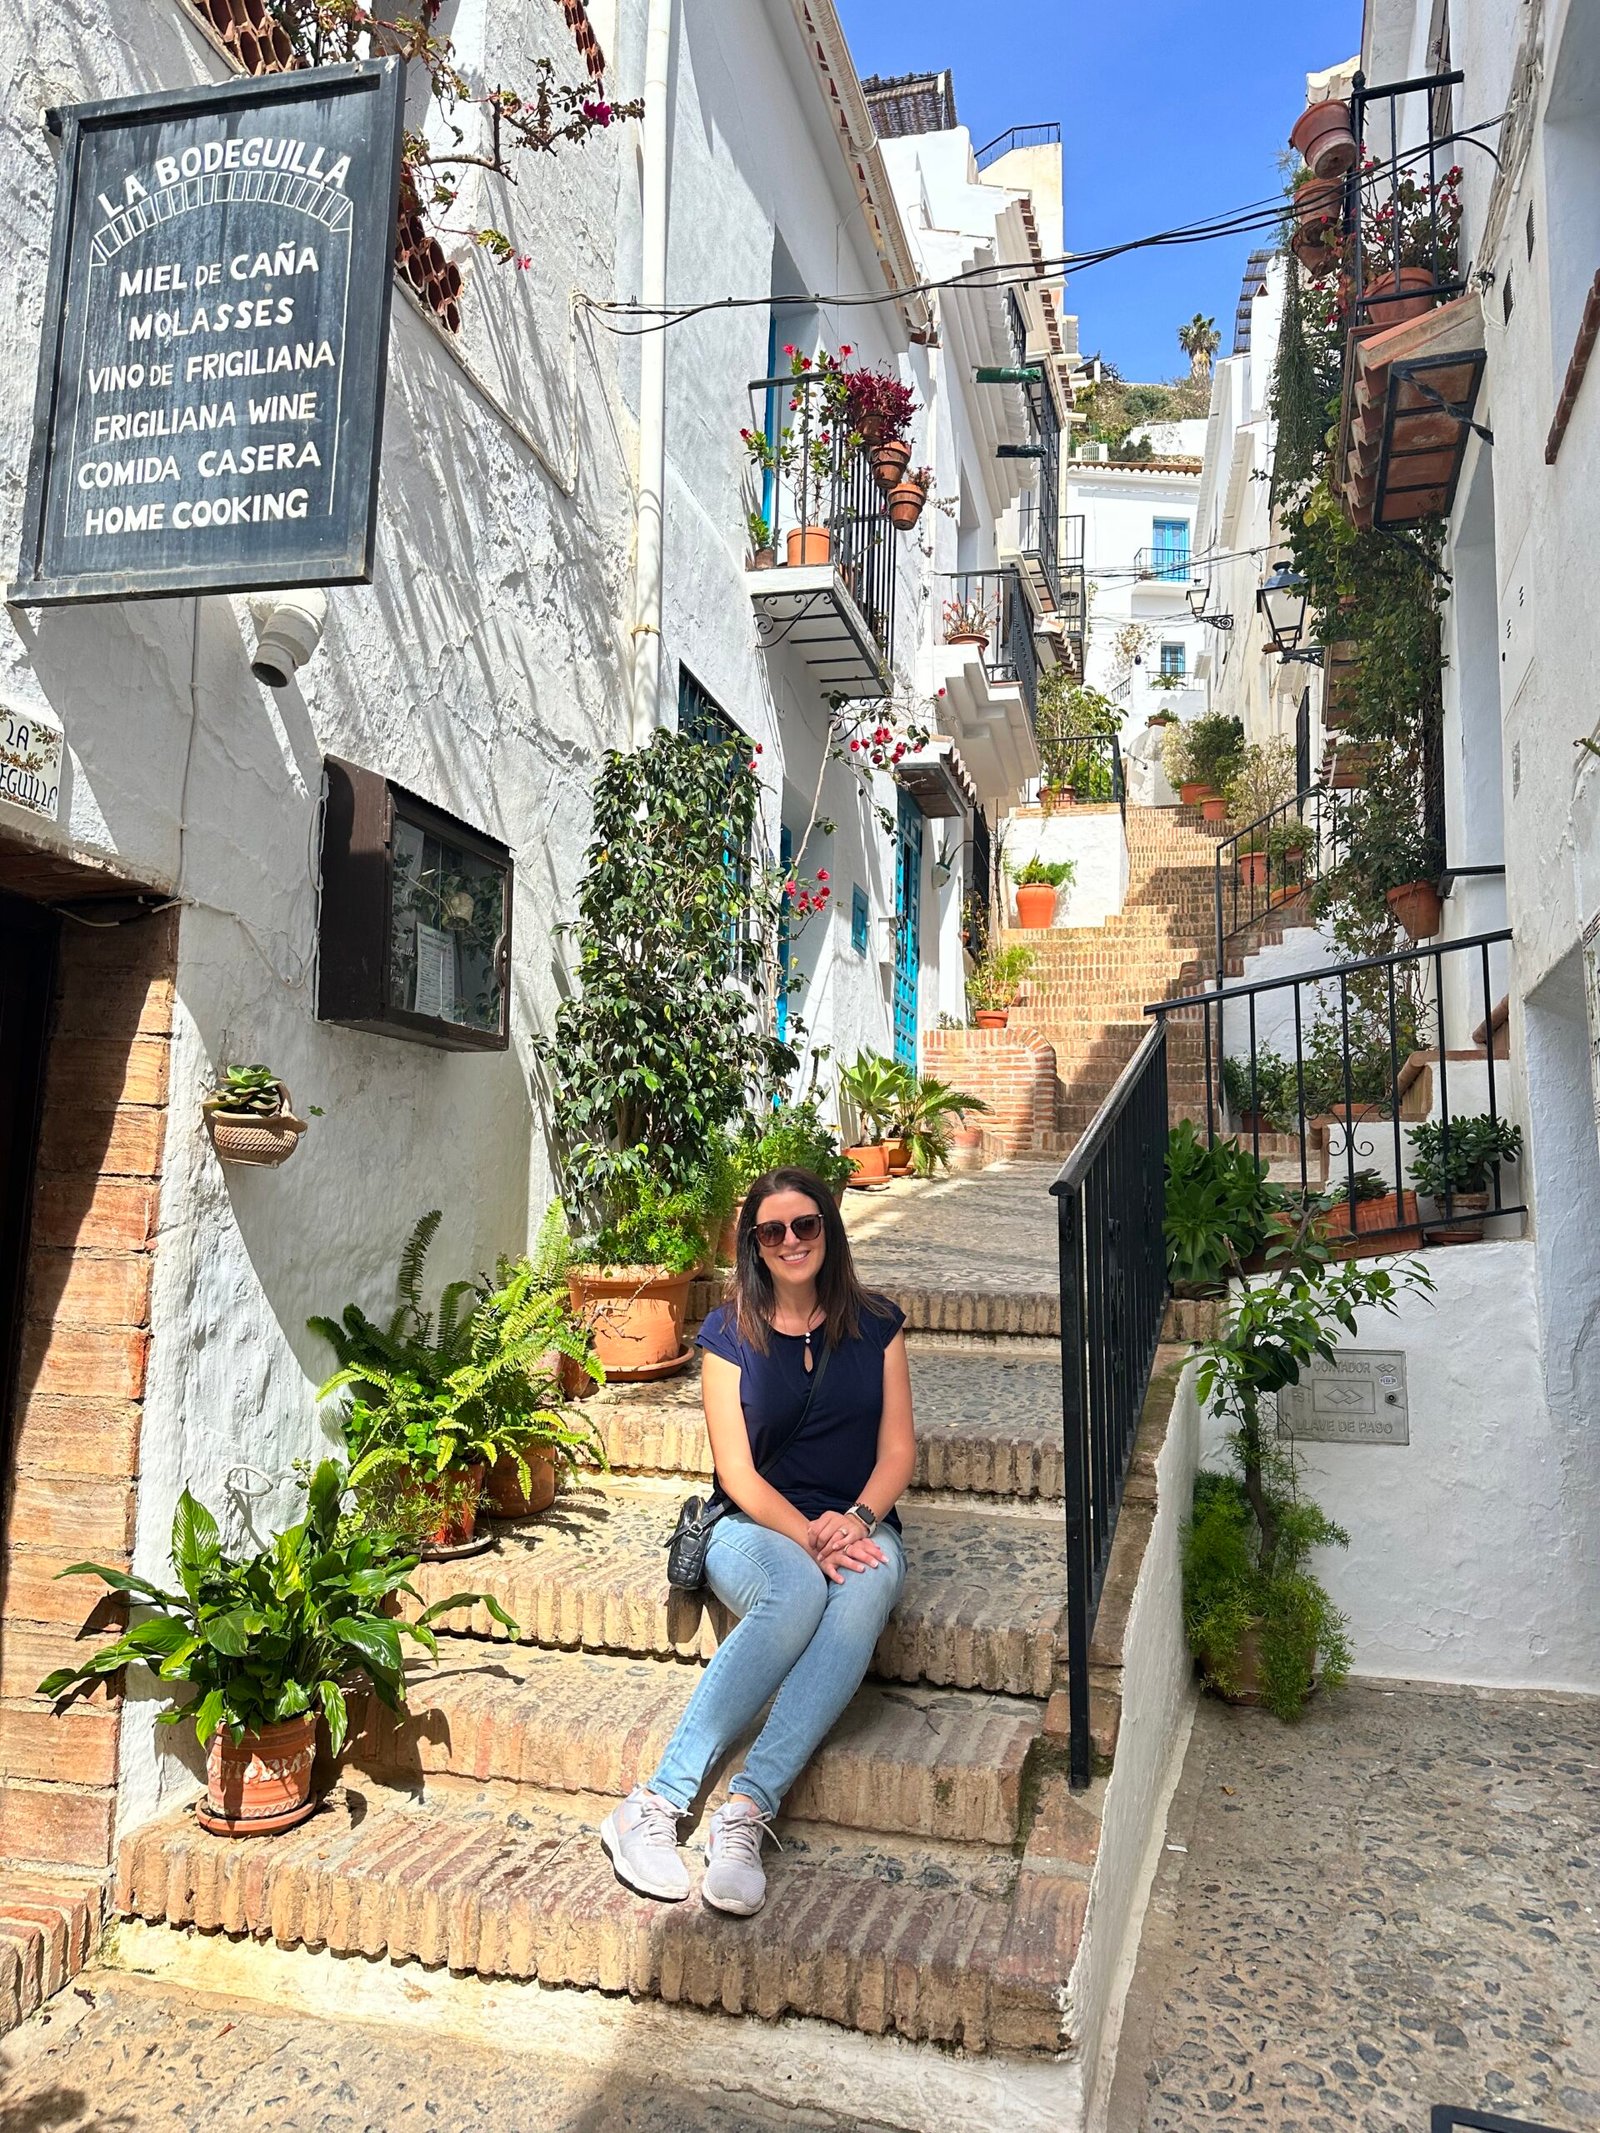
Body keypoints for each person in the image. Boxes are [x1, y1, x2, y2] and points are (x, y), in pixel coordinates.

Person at [599, 1165, 914, 1916]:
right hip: (752, 1526)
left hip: (857, 1520)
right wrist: (808, 1533)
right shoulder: (727, 1332)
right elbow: (736, 1472)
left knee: (866, 1582)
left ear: (829, 1231)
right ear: (755, 1245)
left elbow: (898, 1451)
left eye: (805, 1224)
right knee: (798, 1585)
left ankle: (744, 1809)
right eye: (771, 1230)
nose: (790, 1240)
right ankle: (654, 1805)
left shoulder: (878, 1325)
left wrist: (859, 1521)